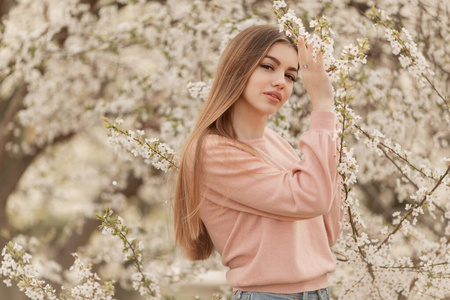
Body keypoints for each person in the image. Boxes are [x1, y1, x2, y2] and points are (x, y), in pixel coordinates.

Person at [174, 24, 343, 300]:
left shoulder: (276, 143)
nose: (281, 82)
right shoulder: (211, 152)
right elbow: (312, 199)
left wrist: (329, 149)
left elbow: (327, 231)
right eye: (268, 67)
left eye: (290, 75)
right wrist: (323, 107)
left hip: (319, 293)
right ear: (238, 68)